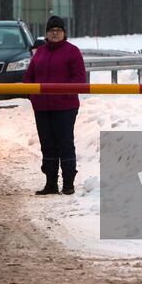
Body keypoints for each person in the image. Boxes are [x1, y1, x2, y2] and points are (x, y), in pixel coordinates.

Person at [22, 15, 87, 195]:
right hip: (42, 107)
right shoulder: (40, 53)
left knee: (65, 144)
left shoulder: (72, 52)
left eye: (58, 30)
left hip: (65, 107)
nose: (55, 33)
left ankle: (68, 184)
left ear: (64, 33)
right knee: (47, 145)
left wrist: (64, 94)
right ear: (46, 34)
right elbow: (28, 77)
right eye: (52, 30)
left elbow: (79, 79)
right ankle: (51, 183)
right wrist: (32, 95)